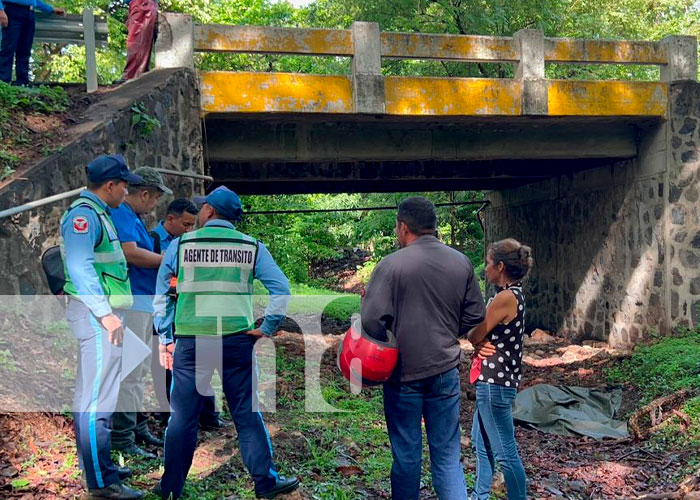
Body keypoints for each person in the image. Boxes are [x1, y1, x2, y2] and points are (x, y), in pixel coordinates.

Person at [152, 186, 299, 499]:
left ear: (208, 212)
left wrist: (166, 338)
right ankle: (266, 483)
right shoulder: (252, 247)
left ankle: (170, 489)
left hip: (192, 341)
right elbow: (281, 289)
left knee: (183, 418)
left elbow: (163, 296)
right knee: (246, 414)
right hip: (236, 341)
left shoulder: (180, 245)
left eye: (203, 207)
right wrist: (268, 326)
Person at [361, 196, 491, 500]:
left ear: (404, 227)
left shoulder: (391, 265)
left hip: (402, 373)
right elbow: (475, 318)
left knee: (406, 455)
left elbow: (370, 321)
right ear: (433, 227)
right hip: (445, 371)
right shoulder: (461, 262)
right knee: (447, 456)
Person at [60, 154, 144, 499]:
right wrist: (105, 313)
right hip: (97, 316)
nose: (127, 192)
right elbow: (81, 268)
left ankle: (99, 466)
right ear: (111, 184)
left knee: (93, 396)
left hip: (102, 314)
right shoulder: (84, 216)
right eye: (125, 185)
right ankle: (101, 482)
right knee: (98, 401)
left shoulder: (98, 213)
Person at [149, 198, 229, 430]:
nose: (189, 230)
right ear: (170, 219)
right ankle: (171, 419)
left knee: (201, 364)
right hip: (164, 311)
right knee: (166, 369)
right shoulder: (153, 240)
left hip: (189, 311)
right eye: (185, 224)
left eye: (192, 225)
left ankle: (208, 417)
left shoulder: (189, 242)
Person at [110, 166, 172, 459]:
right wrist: (167, 261)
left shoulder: (130, 216)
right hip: (132, 303)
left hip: (142, 302)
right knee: (131, 372)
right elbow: (129, 252)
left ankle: (136, 426)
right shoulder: (121, 213)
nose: (155, 206)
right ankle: (123, 437)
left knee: (139, 370)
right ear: (145, 193)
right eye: (155, 199)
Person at [467, 238, 533, 500]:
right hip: (495, 383)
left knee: (505, 451)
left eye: (489, 263)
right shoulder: (514, 294)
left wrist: (477, 339)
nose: (485, 268)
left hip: (494, 385)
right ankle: (479, 495)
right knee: (481, 444)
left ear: (501, 266)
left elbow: (474, 333)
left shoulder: (504, 298)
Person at [0, 0, 65, 85]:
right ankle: (3, 83)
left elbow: (35, 1)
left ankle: (22, 83)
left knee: (25, 50)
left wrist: (51, 9)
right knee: (8, 49)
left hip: (29, 13)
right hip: (12, 10)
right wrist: (1, 11)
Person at [120, 0, 157, 81]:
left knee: (136, 41)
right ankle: (137, 74)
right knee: (140, 40)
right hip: (141, 5)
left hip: (141, 5)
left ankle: (132, 75)